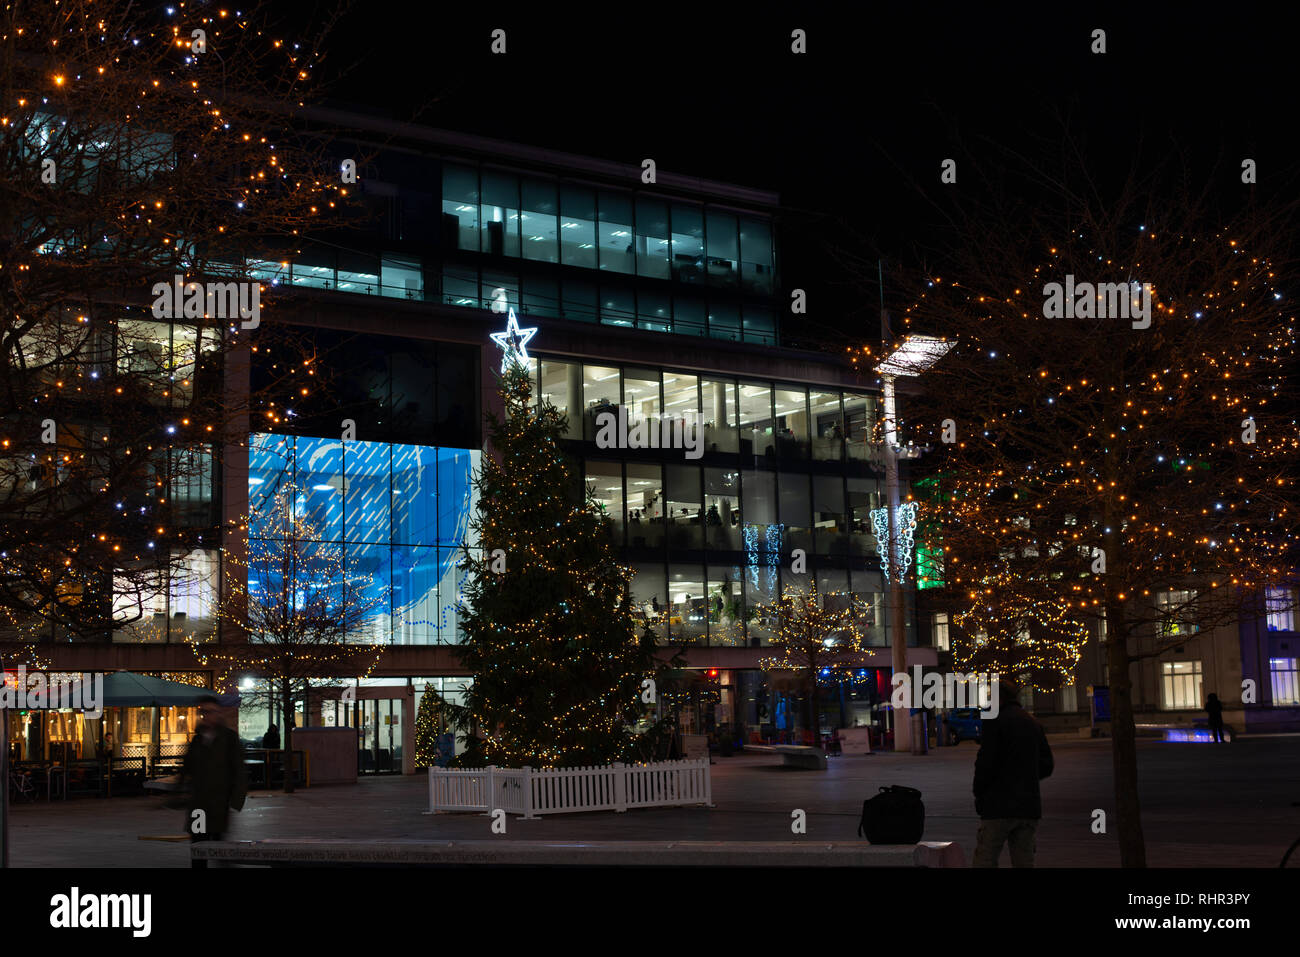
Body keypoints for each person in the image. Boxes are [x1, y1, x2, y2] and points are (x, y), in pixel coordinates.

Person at [972, 679, 1054, 867]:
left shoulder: (995, 721)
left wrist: (979, 793)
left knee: (985, 858)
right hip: (1028, 806)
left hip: (998, 805)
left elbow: (985, 763)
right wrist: (1026, 775)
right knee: (1024, 861)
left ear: (998, 698)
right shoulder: (1032, 722)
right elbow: (1047, 765)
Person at [180, 695, 247, 867]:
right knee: (198, 847)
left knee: (218, 847)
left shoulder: (229, 739)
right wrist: (180, 792)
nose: (207, 716)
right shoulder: (197, 739)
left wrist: (236, 799)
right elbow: (187, 767)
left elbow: (239, 770)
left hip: (219, 803)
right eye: (203, 712)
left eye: (211, 711)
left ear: (218, 713)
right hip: (199, 805)